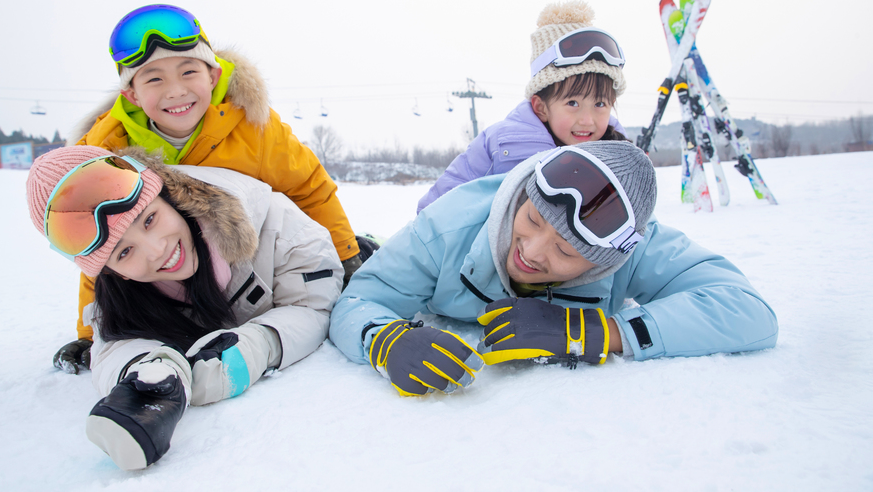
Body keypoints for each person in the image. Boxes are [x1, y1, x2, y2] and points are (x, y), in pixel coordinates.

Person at [55, 4, 372, 375]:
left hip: (254, 261)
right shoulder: (109, 152)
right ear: (132, 95)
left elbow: (310, 188)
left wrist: (346, 253)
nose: (176, 91)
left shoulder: (254, 128)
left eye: (189, 72)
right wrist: (90, 332)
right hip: (176, 274)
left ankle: (362, 245)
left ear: (213, 75)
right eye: (153, 79)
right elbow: (101, 243)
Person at [330, 141, 778, 396]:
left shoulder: (634, 245)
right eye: (531, 220)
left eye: (565, 252)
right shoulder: (445, 228)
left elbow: (747, 312)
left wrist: (601, 333)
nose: (532, 252)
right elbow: (359, 299)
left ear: (607, 260)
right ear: (524, 195)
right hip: (412, 253)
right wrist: (385, 342)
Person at [27, 145, 343, 469]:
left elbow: (313, 305)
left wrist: (252, 348)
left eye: (149, 219)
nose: (157, 250)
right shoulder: (121, 295)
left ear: (167, 195)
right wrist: (152, 379)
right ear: (112, 272)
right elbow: (113, 346)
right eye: (124, 253)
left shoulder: (276, 223)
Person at [417, 0, 629, 213]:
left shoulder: (619, 157)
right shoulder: (499, 146)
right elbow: (437, 209)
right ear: (541, 107)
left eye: (600, 103)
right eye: (572, 103)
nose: (587, 119)